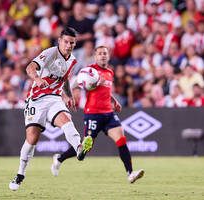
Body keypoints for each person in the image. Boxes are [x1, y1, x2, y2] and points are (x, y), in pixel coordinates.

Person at [9, 27, 93, 191]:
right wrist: (37, 78)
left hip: (55, 98)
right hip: (36, 101)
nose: (69, 46)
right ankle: (20, 174)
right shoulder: (50, 53)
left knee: (66, 121)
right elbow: (29, 68)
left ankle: (79, 149)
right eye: (66, 42)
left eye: (72, 43)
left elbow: (65, 79)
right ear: (60, 41)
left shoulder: (72, 60)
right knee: (32, 139)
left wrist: (68, 96)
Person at [51, 46, 144, 184]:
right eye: (100, 54)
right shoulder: (89, 71)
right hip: (93, 114)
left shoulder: (110, 72)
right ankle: (59, 158)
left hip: (108, 113)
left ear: (109, 56)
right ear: (95, 57)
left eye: (105, 53)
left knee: (121, 140)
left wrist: (114, 101)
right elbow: (75, 83)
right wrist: (70, 96)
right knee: (85, 149)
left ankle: (130, 174)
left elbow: (105, 90)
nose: (103, 56)